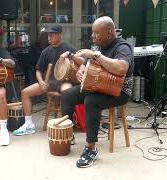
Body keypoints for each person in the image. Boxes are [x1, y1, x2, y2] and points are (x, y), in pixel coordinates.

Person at [61, 16, 134, 168]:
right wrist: (82, 70)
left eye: (96, 33)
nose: (93, 36)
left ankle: (91, 149)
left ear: (109, 33)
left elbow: (121, 68)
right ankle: (68, 134)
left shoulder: (123, 47)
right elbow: (87, 63)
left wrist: (95, 55)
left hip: (119, 91)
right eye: (92, 33)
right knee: (67, 94)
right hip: (98, 85)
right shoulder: (99, 45)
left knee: (92, 101)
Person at [13, 25, 76, 136]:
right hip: (50, 82)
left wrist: (70, 57)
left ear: (60, 35)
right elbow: (38, 70)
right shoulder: (46, 51)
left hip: (65, 81)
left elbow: (81, 61)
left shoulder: (68, 48)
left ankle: (67, 127)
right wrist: (41, 82)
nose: (49, 37)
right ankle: (28, 124)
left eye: (52, 35)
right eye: (48, 35)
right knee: (25, 92)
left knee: (67, 93)